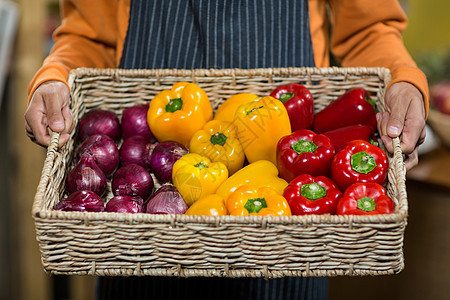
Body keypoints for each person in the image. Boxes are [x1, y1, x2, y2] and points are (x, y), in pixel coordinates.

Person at [24, 0, 429, 299]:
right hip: (144, 242)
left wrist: (403, 80)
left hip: (285, 240)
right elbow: (88, 35)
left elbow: (367, 29)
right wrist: (56, 77)